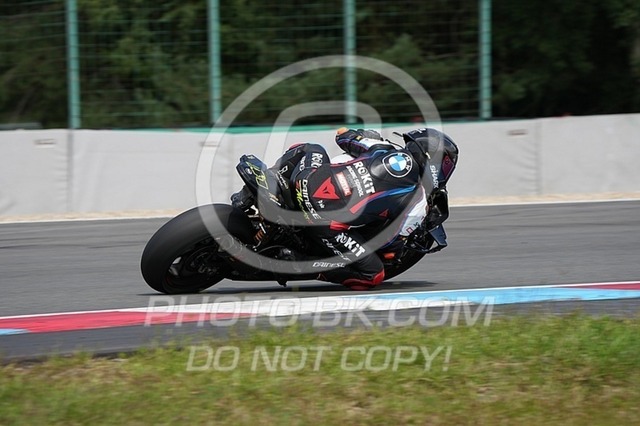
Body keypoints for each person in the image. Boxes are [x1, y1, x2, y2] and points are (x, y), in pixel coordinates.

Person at [231, 127, 459, 290]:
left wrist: (360, 134)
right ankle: (298, 262)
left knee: (310, 148)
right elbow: (390, 239)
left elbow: (342, 135)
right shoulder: (418, 202)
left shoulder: (384, 147)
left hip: (305, 180)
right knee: (373, 274)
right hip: (323, 221)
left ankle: (267, 185)